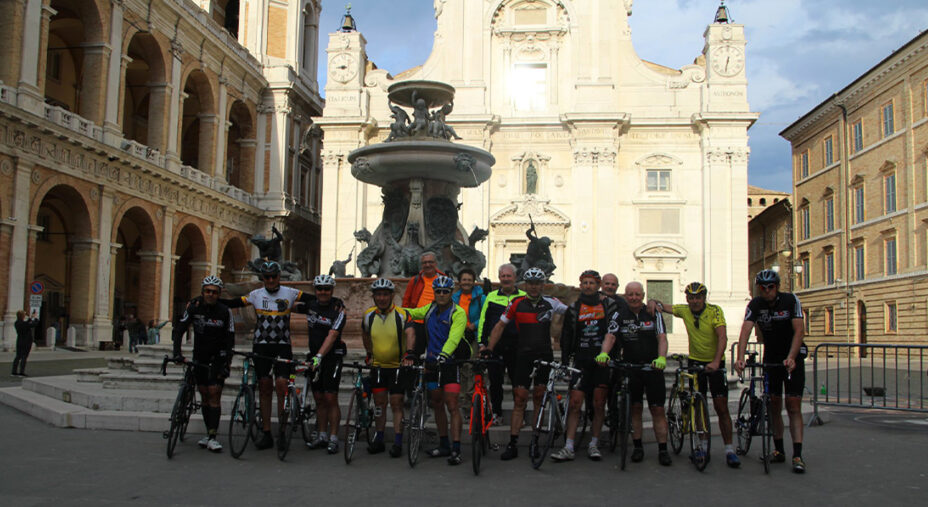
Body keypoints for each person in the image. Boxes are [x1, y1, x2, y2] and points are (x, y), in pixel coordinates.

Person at [220, 260, 314, 451]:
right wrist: (205, 299)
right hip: (261, 346)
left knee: (281, 386)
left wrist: (334, 303)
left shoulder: (290, 292)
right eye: (266, 277)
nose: (270, 280)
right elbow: (232, 303)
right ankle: (266, 432)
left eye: (274, 276)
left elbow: (313, 299)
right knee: (264, 387)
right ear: (262, 278)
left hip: (282, 346)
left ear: (279, 277)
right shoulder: (255, 295)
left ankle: (281, 431)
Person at [652, 282, 740, 468]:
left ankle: (729, 449)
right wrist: (652, 301)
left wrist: (716, 361)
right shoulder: (684, 310)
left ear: (704, 297)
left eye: (698, 297)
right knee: (697, 406)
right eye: (691, 297)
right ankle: (702, 446)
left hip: (715, 362)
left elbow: (722, 337)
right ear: (687, 299)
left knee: (721, 406)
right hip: (695, 362)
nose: (694, 301)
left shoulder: (714, 311)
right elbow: (662, 306)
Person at [484, 267, 568, 461]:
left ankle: (535, 442)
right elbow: (499, 325)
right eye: (530, 283)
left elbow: (576, 312)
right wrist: (489, 347)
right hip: (522, 356)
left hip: (544, 356)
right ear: (525, 285)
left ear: (542, 285)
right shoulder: (516, 303)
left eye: (538, 283)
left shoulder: (551, 303)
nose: (534, 287)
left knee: (539, 398)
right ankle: (513, 443)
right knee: (519, 398)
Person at [735, 269, 807, 473]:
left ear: (777, 287)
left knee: (793, 406)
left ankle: (798, 454)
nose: (767, 291)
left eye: (771, 287)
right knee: (774, 405)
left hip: (793, 355)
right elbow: (745, 330)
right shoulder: (756, 304)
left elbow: (799, 331)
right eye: (763, 288)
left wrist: (792, 357)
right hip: (772, 357)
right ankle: (778, 450)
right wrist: (739, 358)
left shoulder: (790, 300)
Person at [552, 270, 622, 462]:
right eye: (585, 283)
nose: (588, 286)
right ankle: (569, 445)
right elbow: (566, 336)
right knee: (575, 403)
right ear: (581, 285)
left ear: (598, 286)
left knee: (599, 404)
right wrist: (565, 361)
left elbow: (616, 331)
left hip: (602, 362)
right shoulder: (574, 308)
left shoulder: (609, 305)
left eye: (592, 283)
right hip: (581, 361)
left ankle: (594, 443)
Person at [599, 281, 672, 466]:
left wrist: (662, 358)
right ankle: (638, 447)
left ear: (643, 295)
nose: (633, 298)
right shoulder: (619, 314)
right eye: (630, 294)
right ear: (625, 295)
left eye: (637, 294)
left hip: (652, 368)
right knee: (635, 409)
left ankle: (663, 449)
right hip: (631, 368)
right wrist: (604, 353)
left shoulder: (653, 313)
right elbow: (611, 335)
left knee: (657, 409)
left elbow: (662, 337)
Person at [405, 275, 468, 465]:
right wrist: (394, 310)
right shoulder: (430, 309)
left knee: (452, 404)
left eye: (445, 292)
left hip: (449, 363)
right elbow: (413, 313)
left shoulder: (458, 313)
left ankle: (456, 447)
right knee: (437, 403)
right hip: (432, 363)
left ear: (451, 293)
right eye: (438, 291)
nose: (441, 295)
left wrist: (445, 355)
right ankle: (444, 444)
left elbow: (454, 338)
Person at [171, 276, 235, 452]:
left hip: (218, 358)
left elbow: (230, 338)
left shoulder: (224, 311)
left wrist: (226, 362)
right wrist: (176, 353)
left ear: (219, 294)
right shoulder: (194, 307)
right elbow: (180, 330)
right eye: (208, 291)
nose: (211, 294)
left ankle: (213, 436)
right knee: (205, 395)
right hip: (199, 356)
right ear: (202, 292)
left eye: (214, 292)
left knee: (214, 394)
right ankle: (208, 433)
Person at [361, 278, 415, 458]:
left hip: (397, 367)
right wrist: (369, 353)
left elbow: (410, 333)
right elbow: (365, 333)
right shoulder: (369, 315)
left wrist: (408, 353)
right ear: (374, 297)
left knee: (396, 403)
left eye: (385, 294)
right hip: (377, 366)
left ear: (392, 295)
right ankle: (379, 438)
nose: (382, 298)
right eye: (378, 295)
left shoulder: (401, 314)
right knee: (379, 404)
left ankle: (398, 441)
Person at [301, 274, 348, 454]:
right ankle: (321, 435)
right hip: (314, 357)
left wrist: (319, 357)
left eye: (326, 289)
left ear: (332, 290)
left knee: (330, 397)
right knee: (319, 398)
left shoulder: (338, 310)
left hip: (331, 357)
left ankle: (334, 437)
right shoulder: (311, 306)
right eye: (319, 289)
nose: (323, 292)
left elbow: (333, 335)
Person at [477, 263, 525, 422]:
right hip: (495, 347)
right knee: (495, 383)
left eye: (508, 276)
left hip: (517, 346)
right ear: (499, 278)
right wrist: (482, 344)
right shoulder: (491, 296)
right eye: (503, 276)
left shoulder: (524, 296)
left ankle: (520, 415)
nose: (506, 279)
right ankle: (496, 413)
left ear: (515, 278)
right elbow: (483, 321)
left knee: (518, 384)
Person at [451, 268, 485, 413]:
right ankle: (462, 398)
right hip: (459, 336)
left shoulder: (480, 297)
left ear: (473, 281)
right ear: (459, 282)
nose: (466, 283)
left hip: (474, 335)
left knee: (470, 367)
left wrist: (474, 325)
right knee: (461, 367)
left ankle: (471, 400)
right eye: (464, 280)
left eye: (469, 280)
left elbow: (485, 315)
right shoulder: (454, 297)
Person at [402, 251, 446, 356]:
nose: (427, 265)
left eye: (430, 262)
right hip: (418, 322)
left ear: (435, 263)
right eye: (424, 263)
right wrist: (406, 318)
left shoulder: (443, 279)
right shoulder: (415, 280)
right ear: (421, 265)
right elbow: (406, 300)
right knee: (415, 352)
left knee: (436, 353)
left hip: (436, 322)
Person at [11, 310, 39, 376]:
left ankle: (14, 371)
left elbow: (26, 323)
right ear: (22, 316)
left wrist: (31, 317)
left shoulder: (17, 323)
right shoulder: (24, 324)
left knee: (18, 356)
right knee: (24, 357)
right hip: (26, 342)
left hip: (20, 341)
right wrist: (36, 318)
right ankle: (21, 372)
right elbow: (34, 324)